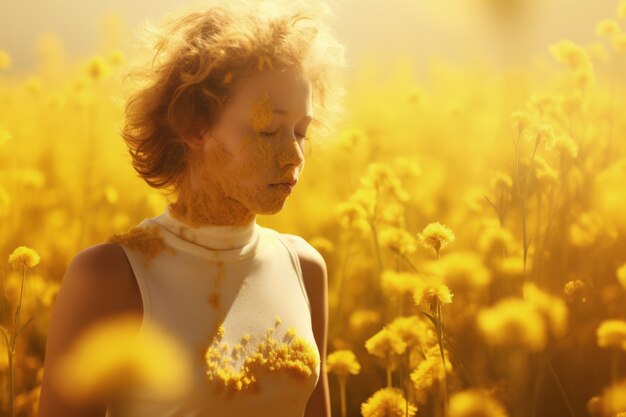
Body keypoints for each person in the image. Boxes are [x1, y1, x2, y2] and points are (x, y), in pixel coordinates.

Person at [38, 1, 346, 416]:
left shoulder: (304, 268)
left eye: (302, 132)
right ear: (192, 125)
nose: (294, 156)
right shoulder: (110, 277)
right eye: (268, 128)